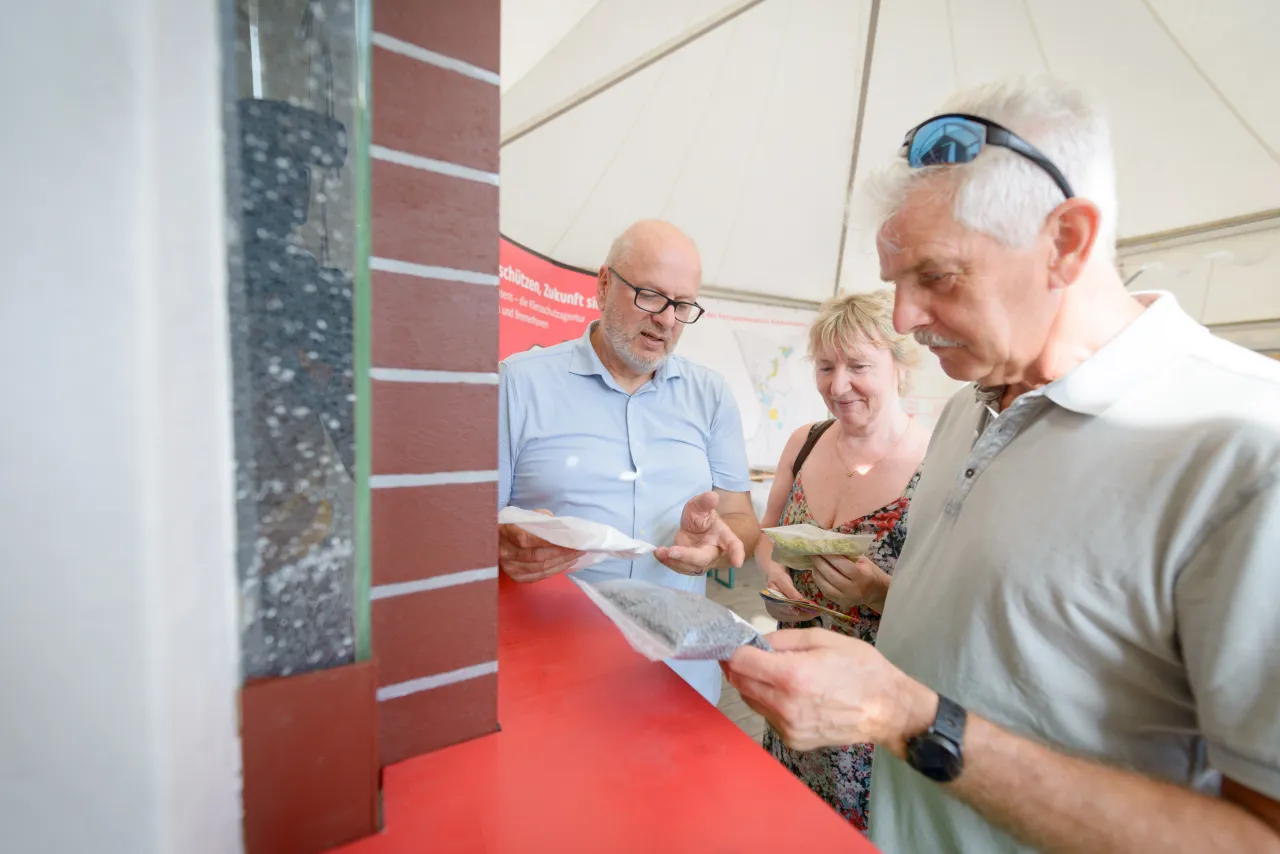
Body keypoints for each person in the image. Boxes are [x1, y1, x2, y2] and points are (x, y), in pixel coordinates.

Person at [724, 76, 1280, 853]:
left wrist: (911, 720)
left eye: (937, 277)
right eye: (897, 283)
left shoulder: (1247, 446)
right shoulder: (966, 410)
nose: (907, 320)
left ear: (1068, 242)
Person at [498, 219, 760, 705]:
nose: (666, 319)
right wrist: (502, 543)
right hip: (548, 676)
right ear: (602, 284)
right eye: (650, 295)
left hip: (681, 678)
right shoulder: (518, 385)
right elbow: (461, 529)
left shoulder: (711, 396)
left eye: (683, 305)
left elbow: (743, 519)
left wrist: (719, 543)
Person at [755, 290, 929, 831]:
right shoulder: (803, 442)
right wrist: (776, 574)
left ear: (900, 368)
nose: (838, 385)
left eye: (859, 366)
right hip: (797, 691)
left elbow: (959, 611)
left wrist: (877, 594)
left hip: (873, 713)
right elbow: (767, 537)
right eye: (827, 366)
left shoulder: (939, 464)